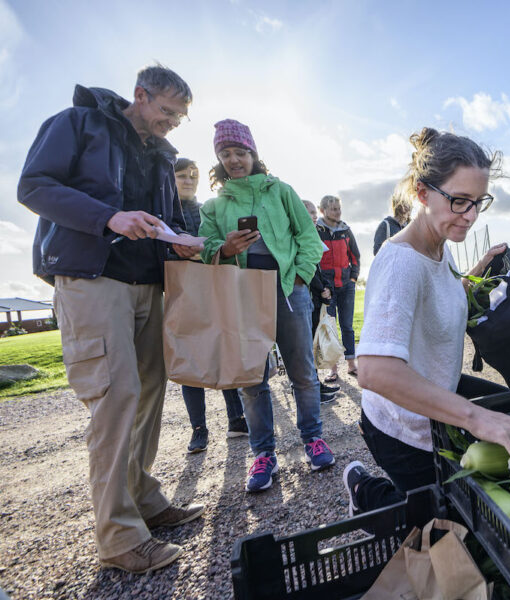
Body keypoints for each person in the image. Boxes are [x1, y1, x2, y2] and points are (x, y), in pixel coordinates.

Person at [17, 65, 205, 574]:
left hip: (148, 281)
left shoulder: (163, 156)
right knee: (116, 393)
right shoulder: (77, 123)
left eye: (179, 117)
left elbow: (161, 220)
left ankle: (142, 500)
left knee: (147, 393)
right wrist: (107, 217)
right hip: (91, 275)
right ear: (139, 95)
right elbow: (32, 186)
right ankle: (118, 537)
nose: (172, 123)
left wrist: (182, 244)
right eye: (166, 111)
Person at [342, 128, 510, 515]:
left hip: (438, 397)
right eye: (460, 201)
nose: (472, 216)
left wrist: (480, 271)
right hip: (403, 426)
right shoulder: (400, 263)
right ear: (422, 193)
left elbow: (440, 296)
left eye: (479, 203)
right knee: (440, 520)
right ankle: (362, 490)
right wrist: (475, 417)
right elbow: (374, 372)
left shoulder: (438, 247)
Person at [198, 119, 335, 493]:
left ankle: (313, 440)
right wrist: (225, 248)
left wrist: (302, 278)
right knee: (252, 380)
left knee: (303, 372)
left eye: (240, 152)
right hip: (243, 297)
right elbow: (204, 249)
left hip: (289, 291)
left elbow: (309, 237)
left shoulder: (281, 191)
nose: (234, 160)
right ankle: (263, 455)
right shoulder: (213, 205)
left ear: (254, 154)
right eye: (225, 154)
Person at [172, 157, 248, 452]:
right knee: (189, 361)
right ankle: (199, 428)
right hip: (182, 292)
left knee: (223, 352)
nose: (189, 180)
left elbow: (217, 247)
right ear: (171, 179)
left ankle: (236, 418)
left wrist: (204, 249)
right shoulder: (165, 212)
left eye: (193, 175)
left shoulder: (207, 208)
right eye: (182, 175)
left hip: (214, 290)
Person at [316, 195, 361, 381]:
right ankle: (333, 369)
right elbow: (314, 260)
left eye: (338, 208)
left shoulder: (346, 231)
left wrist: (352, 278)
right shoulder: (316, 231)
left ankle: (351, 364)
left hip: (346, 286)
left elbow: (355, 256)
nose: (337, 212)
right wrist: (320, 286)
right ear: (323, 210)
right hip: (327, 288)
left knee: (347, 326)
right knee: (330, 329)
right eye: (333, 209)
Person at [301, 198, 341, 404]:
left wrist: (327, 288)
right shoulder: (300, 236)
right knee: (306, 345)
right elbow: (306, 268)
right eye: (310, 213)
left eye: (315, 213)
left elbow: (319, 266)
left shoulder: (313, 234)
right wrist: (320, 288)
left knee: (313, 344)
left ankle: (315, 385)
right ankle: (309, 388)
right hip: (307, 297)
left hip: (317, 296)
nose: (315, 216)